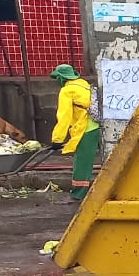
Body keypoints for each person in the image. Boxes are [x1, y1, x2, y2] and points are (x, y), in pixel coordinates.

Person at [49, 64, 99, 200]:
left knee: (82, 163)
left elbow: (64, 118)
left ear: (61, 78)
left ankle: (78, 195)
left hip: (86, 129)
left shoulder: (67, 91)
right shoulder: (84, 84)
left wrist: (57, 140)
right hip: (99, 127)